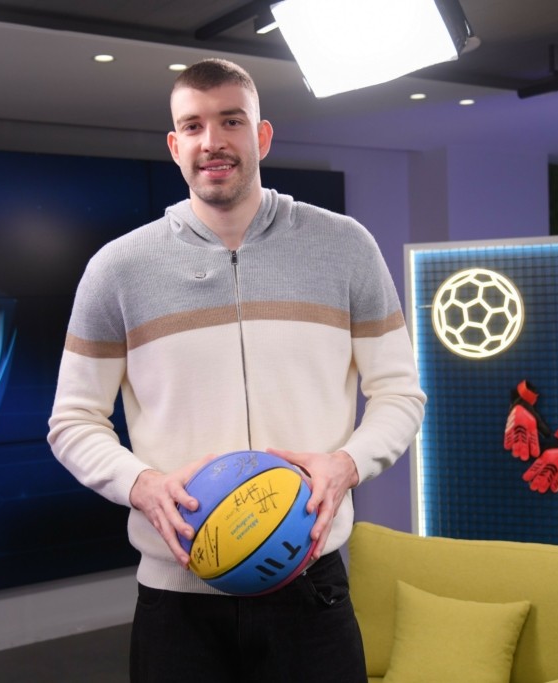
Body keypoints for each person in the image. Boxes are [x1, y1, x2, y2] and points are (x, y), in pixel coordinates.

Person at [47, 58, 425, 682]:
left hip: (310, 583)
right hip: (177, 599)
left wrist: (347, 464)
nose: (212, 141)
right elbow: (73, 420)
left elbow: (399, 394)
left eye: (231, 121)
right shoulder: (118, 269)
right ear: (175, 146)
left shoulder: (345, 246)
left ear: (262, 135)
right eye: (192, 126)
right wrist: (140, 483)